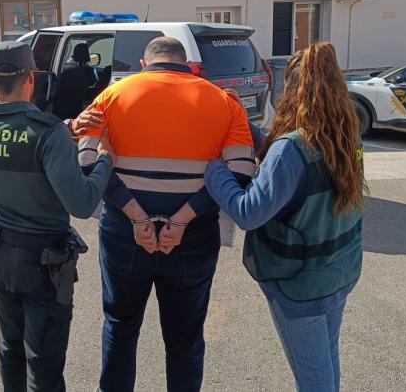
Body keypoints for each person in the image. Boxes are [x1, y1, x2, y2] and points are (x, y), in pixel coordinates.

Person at [74, 37, 255, 392]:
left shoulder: (110, 96)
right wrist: (182, 219)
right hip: (193, 237)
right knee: (185, 338)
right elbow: (241, 175)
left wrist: (138, 217)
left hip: (125, 233)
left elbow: (87, 166)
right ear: (187, 65)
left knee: (120, 326)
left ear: (144, 64)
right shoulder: (224, 102)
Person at [205, 42, 366, 392]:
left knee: (314, 378)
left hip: (301, 283)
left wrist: (212, 168)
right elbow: (284, 164)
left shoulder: (291, 149)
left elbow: (248, 213)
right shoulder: (345, 135)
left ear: (293, 90)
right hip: (339, 270)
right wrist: (242, 120)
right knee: (326, 361)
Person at [0, 41, 115, 392]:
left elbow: (18, 134)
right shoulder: (47, 134)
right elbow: (81, 204)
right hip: (43, 265)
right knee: (43, 363)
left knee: (10, 347)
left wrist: (68, 127)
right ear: (32, 78)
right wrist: (105, 158)